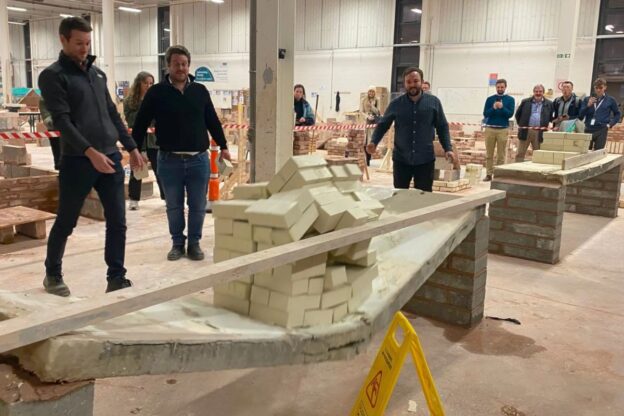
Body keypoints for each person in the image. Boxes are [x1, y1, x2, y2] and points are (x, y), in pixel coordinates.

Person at [38, 17, 144, 296]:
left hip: (109, 157)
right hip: (77, 160)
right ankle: (53, 273)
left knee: (118, 221)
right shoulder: (53, 75)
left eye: (87, 43)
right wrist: (89, 151)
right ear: (63, 40)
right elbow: (61, 121)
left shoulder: (97, 75)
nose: (84, 48)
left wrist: (131, 147)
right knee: (67, 221)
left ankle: (116, 276)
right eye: (78, 43)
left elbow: (111, 113)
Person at [132, 45, 230, 262]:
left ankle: (194, 243)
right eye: (176, 64)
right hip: (169, 161)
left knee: (197, 205)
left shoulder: (200, 91)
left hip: (198, 160)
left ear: (189, 65)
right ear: (168, 65)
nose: (181, 68)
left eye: (184, 64)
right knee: (174, 205)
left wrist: (223, 146)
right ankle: (177, 243)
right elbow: (140, 123)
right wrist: (134, 150)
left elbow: (212, 120)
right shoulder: (156, 93)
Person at [366, 67, 457, 192]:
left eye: (415, 81)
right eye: (408, 82)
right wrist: (373, 142)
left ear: (422, 81)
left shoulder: (434, 103)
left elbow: (442, 127)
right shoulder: (396, 104)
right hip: (401, 160)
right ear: (404, 84)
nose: (412, 85)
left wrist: (448, 148)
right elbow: (383, 124)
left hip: (425, 160)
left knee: (423, 198)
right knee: (400, 197)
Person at [124, 71, 164, 210]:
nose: (148, 86)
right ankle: (134, 199)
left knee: (160, 170)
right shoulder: (130, 101)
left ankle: (166, 198)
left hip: (154, 141)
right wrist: (144, 108)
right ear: (139, 84)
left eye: (151, 83)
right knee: (137, 170)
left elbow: (157, 119)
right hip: (138, 142)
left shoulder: (156, 99)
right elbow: (131, 120)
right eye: (146, 83)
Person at [482, 79, 515, 181]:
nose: (500, 89)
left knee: (501, 154)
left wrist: (502, 107)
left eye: (502, 87)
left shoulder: (510, 99)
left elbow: (510, 114)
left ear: (505, 87)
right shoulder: (490, 99)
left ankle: (499, 175)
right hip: (490, 129)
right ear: (496, 87)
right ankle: (488, 174)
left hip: (503, 130)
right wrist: (494, 108)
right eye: (498, 87)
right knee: (489, 154)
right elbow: (486, 113)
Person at [514, 84, 554, 162]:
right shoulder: (525, 102)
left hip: (540, 132)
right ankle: (517, 172)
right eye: (536, 91)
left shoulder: (549, 104)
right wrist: (522, 125)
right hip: (526, 131)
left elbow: (551, 117)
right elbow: (517, 115)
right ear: (533, 92)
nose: (538, 93)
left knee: (538, 154)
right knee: (520, 153)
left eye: (540, 91)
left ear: (543, 92)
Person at [579, 78, 621, 150]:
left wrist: (610, 124)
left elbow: (617, 114)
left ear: (605, 87)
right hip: (588, 129)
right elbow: (580, 116)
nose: (598, 90)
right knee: (585, 152)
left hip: (602, 129)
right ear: (594, 88)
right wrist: (588, 106)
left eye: (601, 88)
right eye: (596, 88)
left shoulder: (610, 100)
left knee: (598, 153)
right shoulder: (587, 99)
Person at [360, 85, 381, 166]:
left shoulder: (377, 100)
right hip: (366, 122)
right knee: (365, 141)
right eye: (370, 91)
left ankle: (369, 159)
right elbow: (361, 111)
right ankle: (367, 160)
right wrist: (367, 116)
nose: (371, 93)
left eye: (373, 91)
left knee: (371, 141)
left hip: (374, 122)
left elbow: (378, 112)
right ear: (368, 92)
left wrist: (372, 106)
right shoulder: (363, 100)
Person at [38, 97, 61, 170]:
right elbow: (46, 117)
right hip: (55, 129)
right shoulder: (44, 98)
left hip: (69, 130)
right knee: (58, 151)